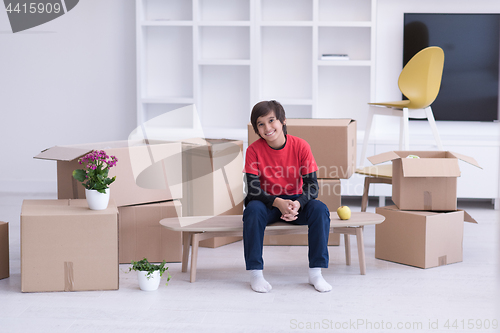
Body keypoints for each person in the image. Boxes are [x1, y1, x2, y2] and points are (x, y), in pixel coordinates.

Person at [243, 100, 332, 293]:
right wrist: (277, 203)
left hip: (294, 202)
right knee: (252, 210)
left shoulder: (301, 146)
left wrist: (297, 204)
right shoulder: (253, 150)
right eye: (260, 124)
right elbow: (253, 189)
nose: (267, 127)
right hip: (267, 204)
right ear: (256, 129)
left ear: (283, 121)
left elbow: (312, 187)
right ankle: (256, 274)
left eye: (271, 120)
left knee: (320, 209)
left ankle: (316, 273)